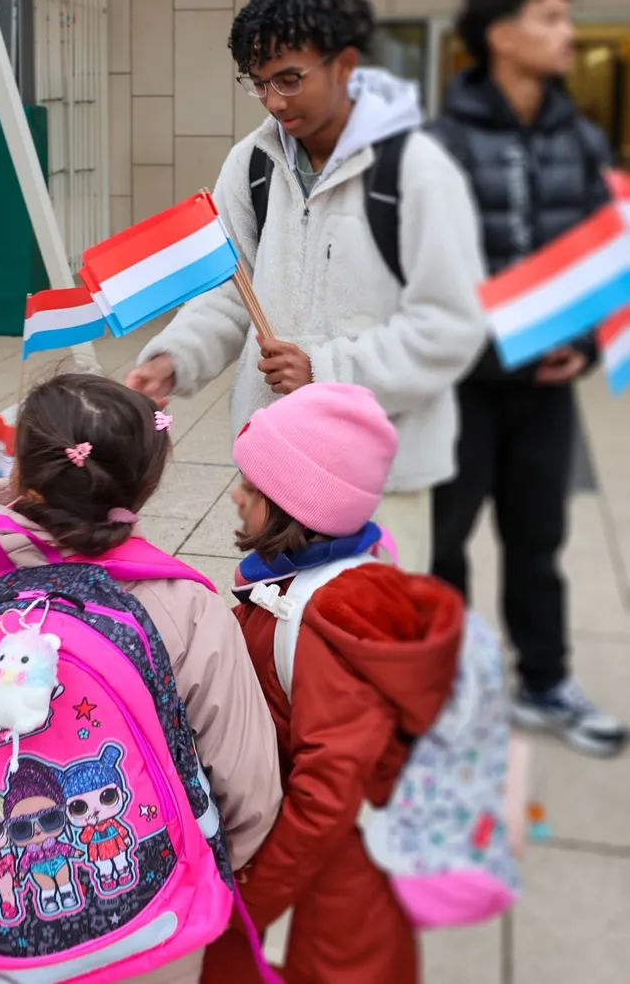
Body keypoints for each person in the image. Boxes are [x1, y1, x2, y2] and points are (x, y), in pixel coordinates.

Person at [127, 0, 486, 572]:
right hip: (275, 469)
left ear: (344, 64)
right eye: (258, 83)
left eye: (289, 79)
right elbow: (229, 292)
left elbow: (452, 328)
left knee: (365, 639)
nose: (273, 101)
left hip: (382, 479)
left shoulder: (416, 169)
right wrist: (174, 359)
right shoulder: (253, 163)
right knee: (272, 627)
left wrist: (325, 368)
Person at [0, 372, 282, 984]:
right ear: (148, 483)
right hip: (152, 930)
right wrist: (199, 869)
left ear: (21, 475)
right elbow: (249, 787)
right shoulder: (186, 608)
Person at [201, 381, 464, 984]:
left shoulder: (324, 619)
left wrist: (248, 903)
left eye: (253, 487)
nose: (236, 496)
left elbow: (327, 793)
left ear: (299, 508)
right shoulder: (296, 581)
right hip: (308, 871)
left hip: (326, 899)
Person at [431, 0, 628, 758]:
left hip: (546, 389)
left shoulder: (578, 136)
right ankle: (448, 689)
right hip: (464, 386)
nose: (566, 33)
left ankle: (544, 682)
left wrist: (578, 345)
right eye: (550, 17)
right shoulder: (438, 143)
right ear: (501, 35)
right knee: (444, 542)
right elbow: (429, 268)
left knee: (538, 537)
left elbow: (595, 253)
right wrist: (485, 345)